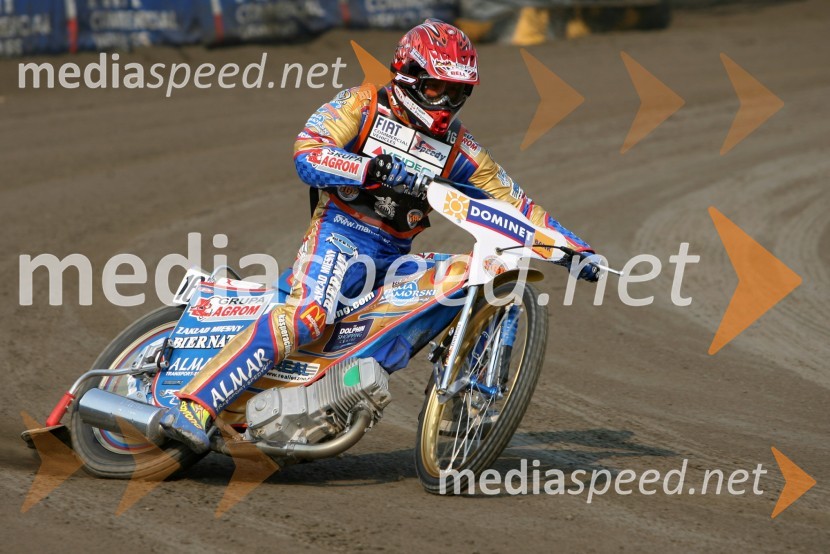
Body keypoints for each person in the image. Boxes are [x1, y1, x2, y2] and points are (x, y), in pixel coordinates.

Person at [161, 19, 599, 453]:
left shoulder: (461, 149)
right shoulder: (362, 103)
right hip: (338, 233)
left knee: (473, 275)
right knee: (307, 316)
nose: (446, 103)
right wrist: (366, 169)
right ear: (407, 76)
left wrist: (574, 250)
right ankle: (195, 405)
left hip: (394, 254)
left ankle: (458, 400)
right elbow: (308, 150)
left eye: (458, 92)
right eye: (435, 88)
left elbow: (519, 206)